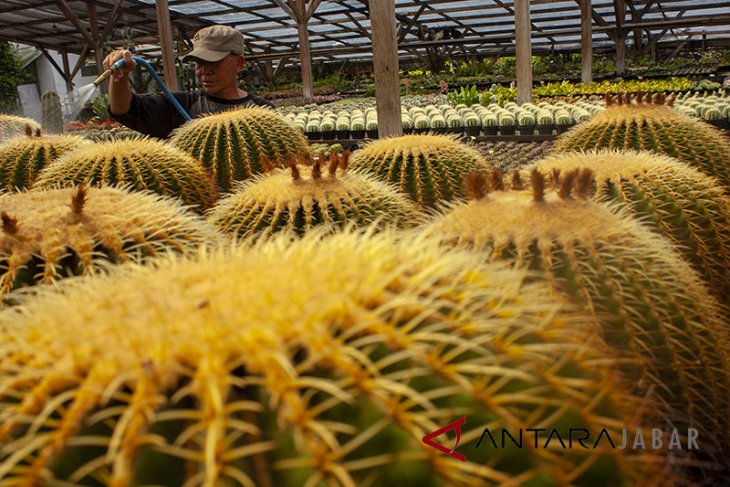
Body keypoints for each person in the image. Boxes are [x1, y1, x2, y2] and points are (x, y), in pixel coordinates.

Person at [103, 25, 274, 139]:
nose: (205, 70)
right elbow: (123, 109)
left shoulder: (263, 111)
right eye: (199, 63)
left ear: (239, 63)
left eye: (214, 62)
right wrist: (120, 77)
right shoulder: (181, 106)